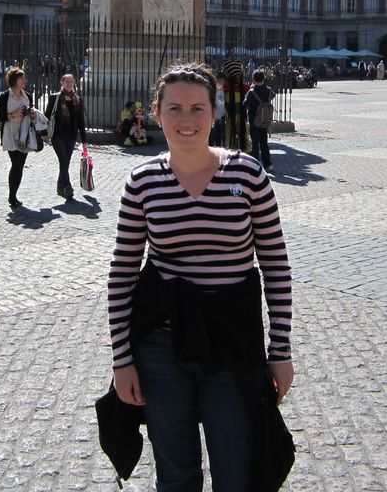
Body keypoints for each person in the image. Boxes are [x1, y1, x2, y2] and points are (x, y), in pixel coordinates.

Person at [108, 63, 294, 490]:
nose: (186, 119)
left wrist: (280, 350)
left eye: (197, 108)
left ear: (215, 113)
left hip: (232, 342)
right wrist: (122, 359)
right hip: (161, 344)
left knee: (237, 472)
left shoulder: (248, 174)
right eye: (174, 108)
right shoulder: (142, 181)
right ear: (157, 113)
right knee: (175, 475)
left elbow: (276, 265)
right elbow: (122, 272)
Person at [0, 67, 36, 209]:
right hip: (10, 133)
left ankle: (13, 195)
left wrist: (32, 113)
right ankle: (12, 196)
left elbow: (31, 112)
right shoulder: (5, 96)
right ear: (14, 80)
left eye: (24, 78)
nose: (24, 81)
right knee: (16, 163)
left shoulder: (28, 96)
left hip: (24, 133)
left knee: (20, 165)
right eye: (21, 79)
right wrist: (14, 114)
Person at [43, 73, 88, 200]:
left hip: (71, 136)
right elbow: (47, 115)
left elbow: (81, 122)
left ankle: (60, 186)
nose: (69, 84)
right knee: (63, 160)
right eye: (66, 81)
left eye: (71, 81)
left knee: (65, 162)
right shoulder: (55, 98)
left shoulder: (77, 100)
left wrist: (84, 141)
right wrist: (43, 132)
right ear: (61, 83)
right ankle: (68, 187)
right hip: (57, 135)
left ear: (74, 84)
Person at [243, 68, 275, 171]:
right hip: (265, 119)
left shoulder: (252, 92)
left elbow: (245, 103)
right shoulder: (268, 90)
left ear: (253, 79)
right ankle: (268, 164)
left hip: (254, 119)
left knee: (255, 142)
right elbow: (273, 95)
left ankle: (256, 165)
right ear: (263, 79)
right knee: (264, 142)